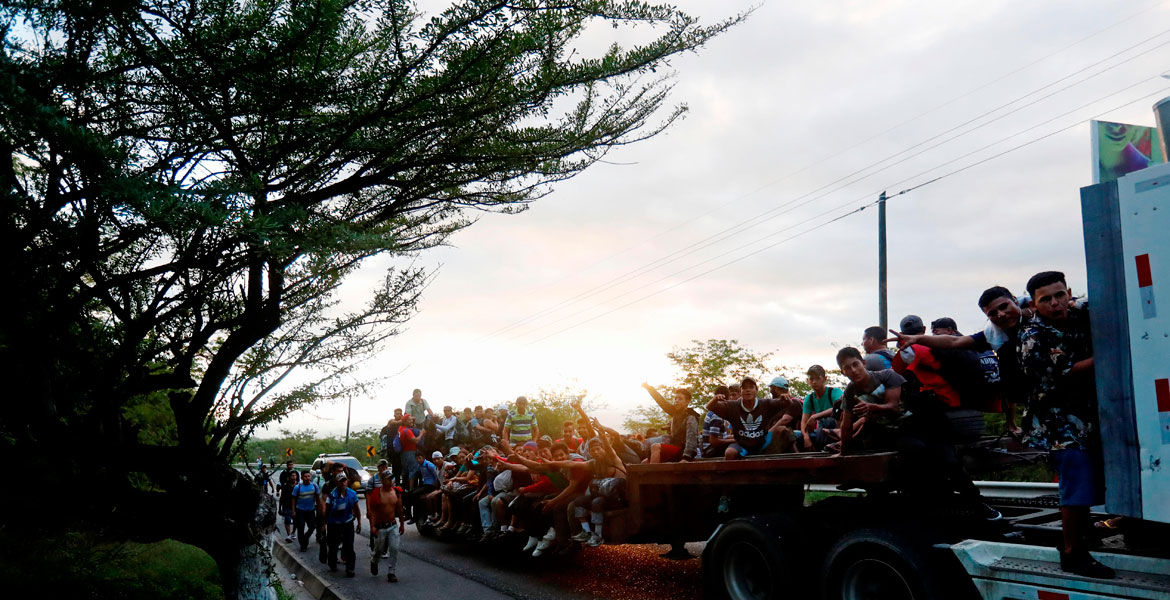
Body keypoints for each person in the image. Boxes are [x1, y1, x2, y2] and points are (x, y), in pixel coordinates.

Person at [1017, 271, 1113, 579]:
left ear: (1068, 292)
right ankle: (1072, 552)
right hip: (1055, 420)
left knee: (1092, 478)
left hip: (1088, 414)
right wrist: (1111, 357)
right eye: (1046, 299)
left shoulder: (1078, 311)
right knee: (1076, 480)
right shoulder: (1032, 336)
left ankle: (1084, 536)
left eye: (1060, 295)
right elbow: (1062, 373)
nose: (1056, 303)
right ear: (1034, 304)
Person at [886, 285, 1026, 434]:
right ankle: (1012, 425)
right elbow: (954, 343)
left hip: (954, 406)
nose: (1001, 314)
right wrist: (917, 339)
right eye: (993, 313)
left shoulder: (1038, 318)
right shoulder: (992, 335)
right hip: (982, 404)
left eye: (1004, 307)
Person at [705, 377, 797, 460]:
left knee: (782, 430)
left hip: (762, 443)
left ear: (756, 390)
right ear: (740, 392)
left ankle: (798, 462)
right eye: (744, 388)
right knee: (729, 453)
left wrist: (786, 397)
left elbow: (788, 403)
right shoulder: (733, 406)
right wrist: (715, 399)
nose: (748, 390)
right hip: (742, 444)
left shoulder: (765, 404)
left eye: (751, 387)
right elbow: (709, 407)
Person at [640, 383, 700, 463]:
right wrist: (649, 388)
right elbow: (661, 401)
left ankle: (654, 475)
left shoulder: (691, 417)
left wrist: (686, 457)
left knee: (655, 447)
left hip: (683, 452)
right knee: (644, 462)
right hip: (673, 447)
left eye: (680, 399)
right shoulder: (675, 412)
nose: (676, 401)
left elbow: (691, 439)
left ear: (687, 402)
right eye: (675, 398)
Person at [366, 467, 405, 583]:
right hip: (380, 527)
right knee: (379, 550)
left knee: (394, 548)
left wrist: (402, 524)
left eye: (391, 479)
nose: (390, 481)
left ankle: (391, 572)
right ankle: (374, 561)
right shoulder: (376, 493)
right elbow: (372, 511)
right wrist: (372, 526)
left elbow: (400, 509)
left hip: (393, 525)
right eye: (388, 479)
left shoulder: (396, 492)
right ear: (382, 480)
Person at [323, 471, 361, 577]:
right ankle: (332, 563)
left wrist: (359, 523)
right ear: (337, 482)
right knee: (333, 545)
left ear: (347, 481)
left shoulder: (352, 494)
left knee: (349, 545)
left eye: (344, 481)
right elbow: (327, 510)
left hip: (347, 523)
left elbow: (356, 508)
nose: (343, 483)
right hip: (334, 523)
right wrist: (324, 525)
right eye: (340, 482)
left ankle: (350, 568)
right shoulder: (332, 495)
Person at [800, 365, 842, 451]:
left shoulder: (834, 392)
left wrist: (815, 416)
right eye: (811, 379)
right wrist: (806, 438)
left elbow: (838, 408)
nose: (814, 382)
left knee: (828, 421)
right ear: (808, 381)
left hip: (837, 426)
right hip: (821, 430)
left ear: (824, 379)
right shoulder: (810, 398)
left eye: (817, 378)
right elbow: (804, 421)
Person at [291, 470, 321, 552]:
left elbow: (317, 498)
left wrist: (319, 508)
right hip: (300, 510)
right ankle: (303, 545)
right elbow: (293, 499)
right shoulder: (298, 487)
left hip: (311, 510)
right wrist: (293, 511)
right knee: (300, 527)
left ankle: (306, 537)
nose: (307, 478)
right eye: (305, 476)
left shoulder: (314, 486)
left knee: (313, 526)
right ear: (302, 478)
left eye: (308, 476)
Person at [278, 460, 298, 542]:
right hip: (287, 504)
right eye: (292, 476)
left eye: (295, 475)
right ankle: (289, 534)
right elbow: (282, 497)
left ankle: (293, 532)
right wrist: (280, 508)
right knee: (287, 520)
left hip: (297, 505)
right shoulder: (285, 484)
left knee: (296, 521)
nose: (294, 477)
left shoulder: (298, 486)